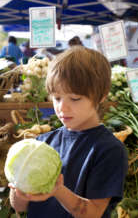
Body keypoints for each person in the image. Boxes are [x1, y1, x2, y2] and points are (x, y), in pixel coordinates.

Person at [9, 46, 128, 218]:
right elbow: (20, 207)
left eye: (74, 98)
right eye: (57, 98)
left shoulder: (109, 150)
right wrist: (18, 188)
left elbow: (93, 213)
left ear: (101, 96)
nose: (62, 108)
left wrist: (57, 190)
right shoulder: (42, 142)